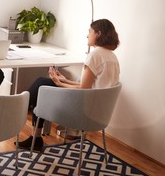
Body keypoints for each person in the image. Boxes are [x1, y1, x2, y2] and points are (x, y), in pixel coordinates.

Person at [18, 18, 120, 150]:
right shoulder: (112, 57)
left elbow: (83, 88)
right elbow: (89, 86)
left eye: (90, 32)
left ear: (98, 34)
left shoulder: (95, 55)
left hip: (84, 111)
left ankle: (18, 111)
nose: (87, 35)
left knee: (42, 86)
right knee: (43, 85)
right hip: (100, 112)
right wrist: (63, 80)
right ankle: (32, 132)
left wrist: (58, 84)